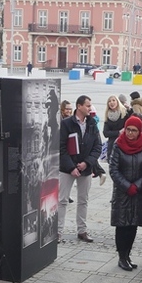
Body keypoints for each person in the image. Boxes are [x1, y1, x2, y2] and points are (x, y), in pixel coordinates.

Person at [109, 116, 142, 271]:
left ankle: (127, 255)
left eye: (134, 130)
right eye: (128, 129)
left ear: (139, 131)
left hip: (139, 192)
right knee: (122, 225)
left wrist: (137, 185)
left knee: (133, 225)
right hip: (122, 193)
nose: (130, 133)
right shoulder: (118, 145)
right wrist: (126, 186)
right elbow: (113, 169)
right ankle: (122, 257)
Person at [59, 95, 101, 243]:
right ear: (79, 106)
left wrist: (87, 163)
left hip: (86, 168)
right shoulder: (66, 124)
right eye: (88, 106)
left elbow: (98, 147)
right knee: (62, 200)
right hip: (67, 168)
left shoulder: (92, 124)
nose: (90, 108)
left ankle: (82, 230)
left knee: (83, 200)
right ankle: (57, 232)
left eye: (90, 106)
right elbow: (61, 147)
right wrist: (71, 167)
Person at [102, 95, 126, 163]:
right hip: (112, 144)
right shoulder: (108, 116)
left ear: (117, 102)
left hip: (123, 143)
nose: (111, 102)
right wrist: (118, 132)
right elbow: (105, 133)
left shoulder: (124, 113)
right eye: (109, 101)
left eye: (113, 100)